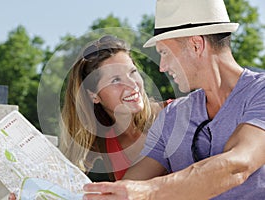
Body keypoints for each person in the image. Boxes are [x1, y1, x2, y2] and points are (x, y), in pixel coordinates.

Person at [83, 0, 265, 199]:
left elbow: (238, 165)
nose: (162, 66)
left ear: (196, 45)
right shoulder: (171, 117)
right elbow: (131, 185)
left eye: (164, 53)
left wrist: (150, 192)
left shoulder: (260, 92)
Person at [9, 35, 169, 200]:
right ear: (94, 96)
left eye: (132, 72)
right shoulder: (102, 139)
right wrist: (29, 193)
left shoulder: (176, 113)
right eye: (115, 79)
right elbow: (62, 185)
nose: (132, 84)